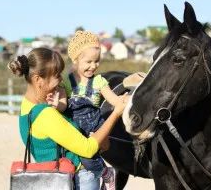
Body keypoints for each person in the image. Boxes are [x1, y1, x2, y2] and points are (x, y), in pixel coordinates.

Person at [8, 47, 128, 190]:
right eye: (57, 76)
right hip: (80, 178)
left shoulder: (26, 107)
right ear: (38, 79)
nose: (60, 81)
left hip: (54, 176)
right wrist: (115, 114)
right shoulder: (45, 114)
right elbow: (88, 149)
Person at [46, 31, 129, 190]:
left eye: (97, 61)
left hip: (93, 127)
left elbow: (114, 100)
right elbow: (64, 104)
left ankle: (105, 172)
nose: (93, 66)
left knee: (87, 156)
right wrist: (57, 105)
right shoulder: (66, 83)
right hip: (74, 126)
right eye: (88, 61)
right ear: (75, 60)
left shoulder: (99, 81)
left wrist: (125, 99)